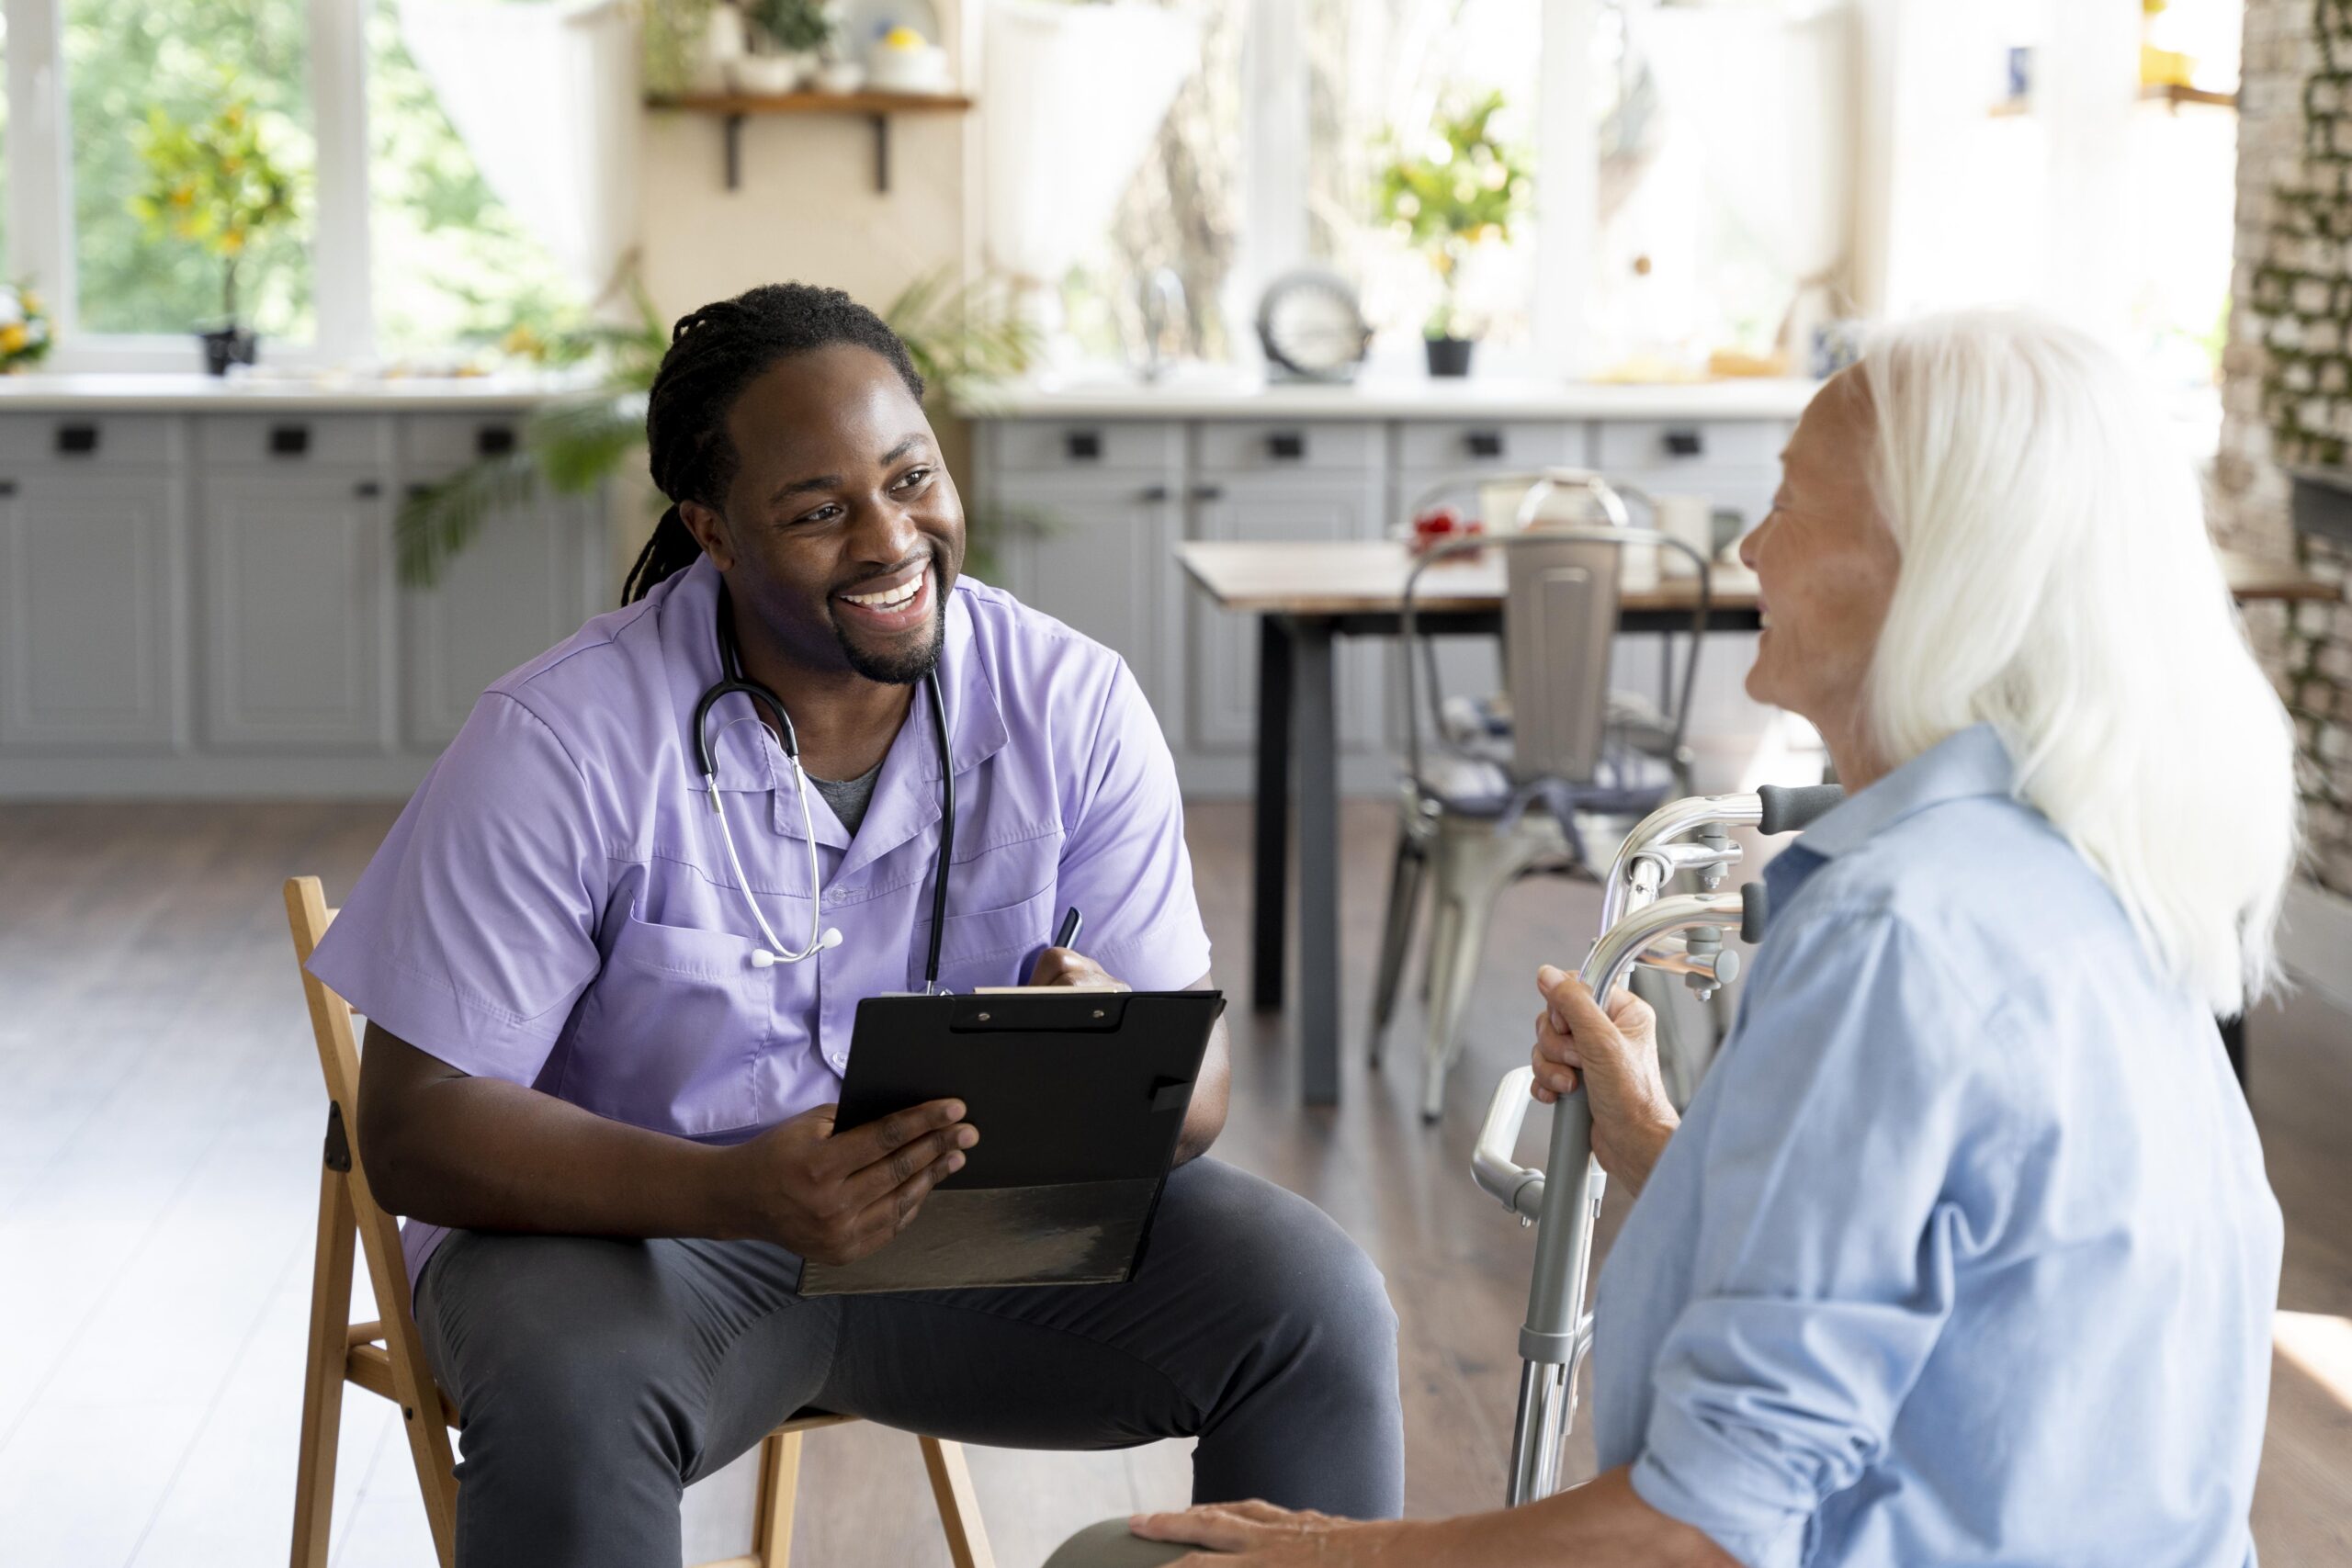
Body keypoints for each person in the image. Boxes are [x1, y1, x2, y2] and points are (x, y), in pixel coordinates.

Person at [1074, 310, 2298, 1566]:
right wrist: (1665, 1149)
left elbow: (1699, 1534)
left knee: (1120, 1561)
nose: (1754, 548)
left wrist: (1340, 1556)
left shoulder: (1900, 933)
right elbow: (1943, 1284)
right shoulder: (2086, 876)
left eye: (1790, 507)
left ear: (1929, 567)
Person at [307, 282, 1403, 1568]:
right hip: (636, 1245)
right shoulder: (564, 739)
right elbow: (417, 1126)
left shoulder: (1071, 703)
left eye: (911, 478)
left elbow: (1199, 1085)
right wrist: (731, 1189)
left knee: (1312, 1302)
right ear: (713, 530)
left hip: (974, 1241)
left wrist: (1117, 1054)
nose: (893, 539)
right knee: (572, 1388)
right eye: (820, 511)